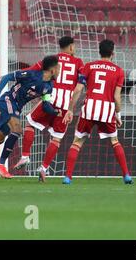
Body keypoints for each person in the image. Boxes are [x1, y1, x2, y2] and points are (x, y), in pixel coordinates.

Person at [0, 55, 61, 178]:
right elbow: (8, 77)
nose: (59, 71)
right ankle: (0, 165)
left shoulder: (49, 86)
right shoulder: (31, 74)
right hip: (8, 100)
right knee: (17, 129)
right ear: (52, 70)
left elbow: (46, 106)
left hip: (16, 108)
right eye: (58, 68)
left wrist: (56, 113)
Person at [13, 36, 85, 182]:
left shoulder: (53, 59)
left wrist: (14, 76)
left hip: (49, 98)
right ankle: (44, 168)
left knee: (30, 124)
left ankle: (25, 156)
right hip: (65, 106)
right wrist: (71, 109)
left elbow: (32, 70)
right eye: (74, 46)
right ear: (71, 47)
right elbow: (79, 88)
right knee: (56, 139)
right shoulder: (78, 63)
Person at [61, 39, 132, 185]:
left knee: (77, 142)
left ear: (99, 52)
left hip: (89, 109)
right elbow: (116, 97)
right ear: (113, 53)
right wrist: (117, 114)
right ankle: (126, 175)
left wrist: (69, 109)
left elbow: (78, 90)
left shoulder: (89, 66)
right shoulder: (118, 71)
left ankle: (68, 177)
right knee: (114, 141)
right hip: (107, 111)